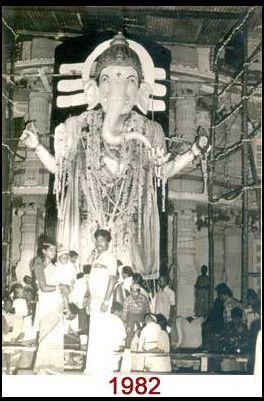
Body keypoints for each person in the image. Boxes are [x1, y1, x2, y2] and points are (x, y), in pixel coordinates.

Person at [21, 31, 210, 279]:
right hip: (88, 223)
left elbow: (163, 172)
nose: (118, 88)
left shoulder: (150, 130)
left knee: (124, 278)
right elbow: (59, 168)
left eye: (129, 80)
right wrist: (36, 146)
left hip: (128, 229)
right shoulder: (78, 126)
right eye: (108, 79)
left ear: (141, 91)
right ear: (95, 90)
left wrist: (195, 151)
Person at [84, 228, 118, 374]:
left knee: (102, 332)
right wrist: (88, 298)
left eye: (102, 241)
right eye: (97, 240)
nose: (98, 243)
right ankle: (93, 366)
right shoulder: (96, 258)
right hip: (95, 300)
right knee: (94, 332)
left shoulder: (110, 257)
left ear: (108, 243)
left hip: (103, 300)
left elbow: (112, 279)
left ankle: (104, 367)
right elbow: (92, 280)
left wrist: (106, 301)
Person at [33, 239, 65, 374]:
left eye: (54, 249)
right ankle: (42, 368)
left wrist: (66, 305)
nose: (54, 252)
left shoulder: (56, 267)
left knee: (56, 336)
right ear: (44, 251)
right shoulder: (39, 266)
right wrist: (60, 287)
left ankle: (54, 367)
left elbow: (64, 289)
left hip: (57, 303)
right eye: (51, 249)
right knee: (46, 336)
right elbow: (44, 287)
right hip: (46, 304)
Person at [123, 282, 150, 347]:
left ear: (139, 291)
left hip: (141, 319)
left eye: (136, 291)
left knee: (142, 336)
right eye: (133, 291)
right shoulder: (127, 300)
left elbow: (147, 312)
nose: (135, 293)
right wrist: (126, 324)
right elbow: (125, 314)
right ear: (130, 291)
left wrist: (147, 323)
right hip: (131, 320)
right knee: (130, 337)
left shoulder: (144, 298)